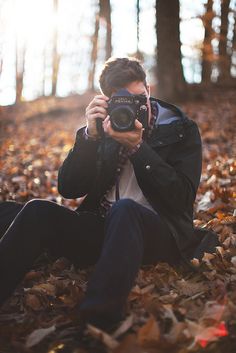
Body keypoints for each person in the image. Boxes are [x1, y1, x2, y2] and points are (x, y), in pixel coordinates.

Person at [0, 57, 217, 330]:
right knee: (33, 209)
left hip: (159, 232)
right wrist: (89, 138)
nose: (135, 109)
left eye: (140, 98)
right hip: (105, 228)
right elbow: (69, 188)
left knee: (124, 208)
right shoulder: (104, 127)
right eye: (122, 102)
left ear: (149, 90)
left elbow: (182, 198)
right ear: (107, 101)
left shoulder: (180, 129)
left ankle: (96, 322)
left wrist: (139, 149)